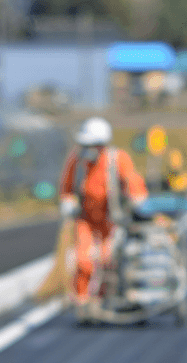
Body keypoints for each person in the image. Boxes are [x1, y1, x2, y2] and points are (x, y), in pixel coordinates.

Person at [59, 117, 148, 306]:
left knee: (108, 260)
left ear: (102, 145)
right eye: (85, 145)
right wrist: (67, 201)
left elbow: (132, 180)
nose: (88, 149)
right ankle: (82, 302)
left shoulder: (117, 159)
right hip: (85, 219)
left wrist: (137, 198)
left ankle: (102, 298)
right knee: (84, 260)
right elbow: (67, 187)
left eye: (92, 145)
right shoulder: (77, 161)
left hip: (111, 220)